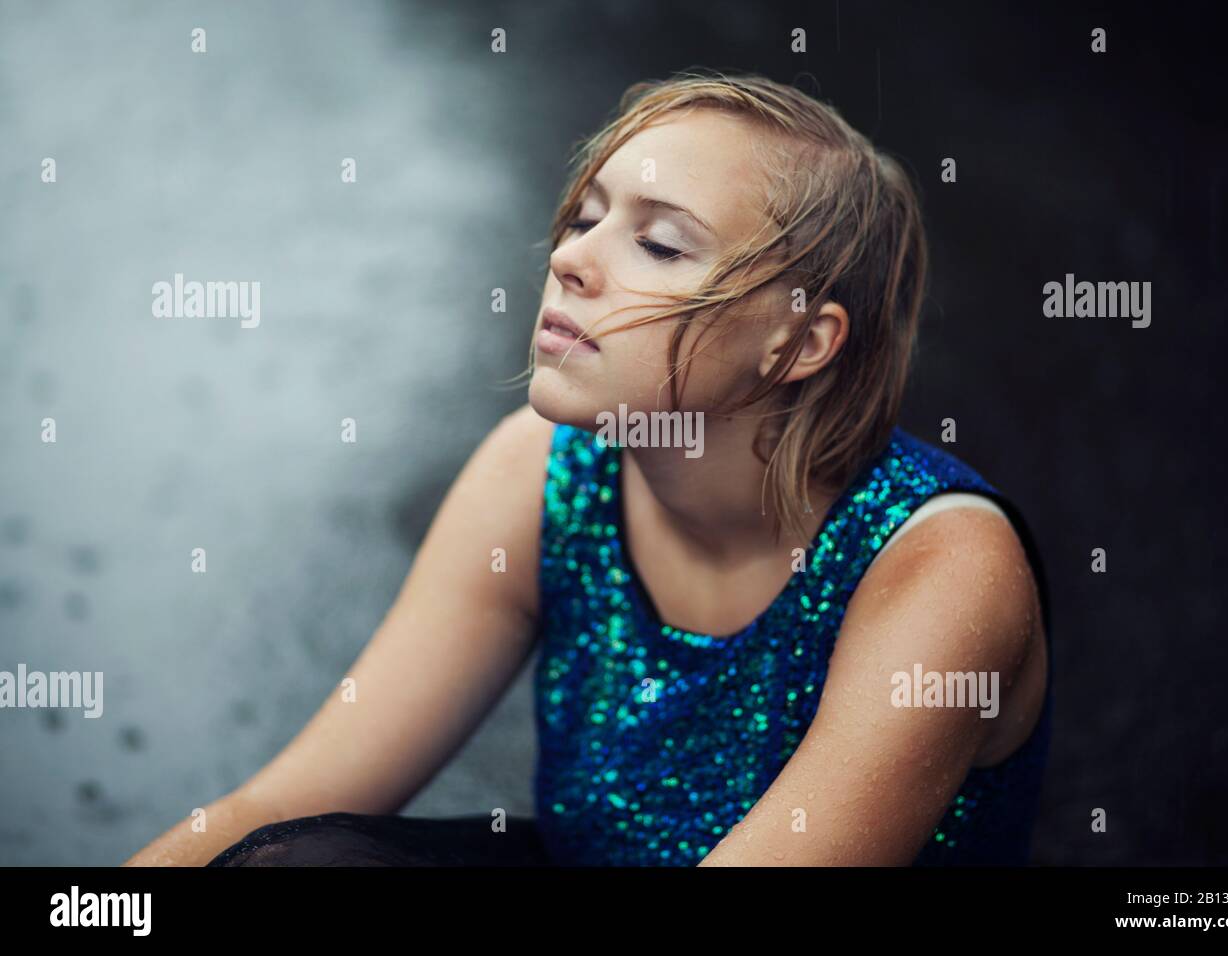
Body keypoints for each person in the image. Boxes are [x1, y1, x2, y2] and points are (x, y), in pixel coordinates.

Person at [125, 69, 1051, 868]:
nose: (570, 259)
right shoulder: (542, 472)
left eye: (658, 244)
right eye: (586, 217)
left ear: (799, 341)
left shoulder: (940, 566)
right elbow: (279, 804)